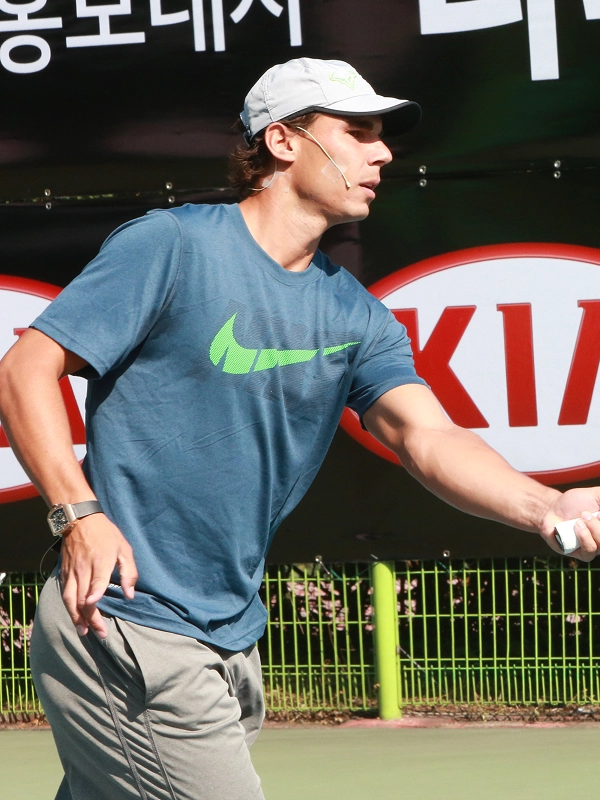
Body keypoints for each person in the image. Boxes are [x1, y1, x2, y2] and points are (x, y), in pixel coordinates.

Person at [0, 56, 599, 800]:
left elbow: (428, 438)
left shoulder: (353, 313)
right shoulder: (174, 246)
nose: (381, 153)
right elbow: (26, 367)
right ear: (282, 142)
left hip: (228, 639)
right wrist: (78, 513)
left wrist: (549, 507)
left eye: (382, 137)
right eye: (357, 132)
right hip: (128, 623)